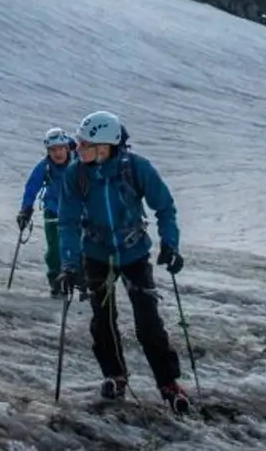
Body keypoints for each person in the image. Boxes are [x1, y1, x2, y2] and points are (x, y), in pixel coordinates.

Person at [56, 110, 191, 414]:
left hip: (133, 254)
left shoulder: (137, 168)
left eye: (86, 144)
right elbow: (67, 222)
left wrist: (171, 244)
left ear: (106, 147)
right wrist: (69, 264)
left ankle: (168, 382)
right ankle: (115, 375)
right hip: (96, 253)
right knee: (102, 319)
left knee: (149, 322)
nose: (79, 148)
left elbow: (165, 207)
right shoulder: (76, 175)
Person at [18, 127, 77, 297]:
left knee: (78, 249)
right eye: (53, 150)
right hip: (53, 214)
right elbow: (31, 188)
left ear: (67, 148)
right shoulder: (44, 167)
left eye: (60, 148)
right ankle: (56, 283)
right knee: (54, 252)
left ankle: (80, 282)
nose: (57, 153)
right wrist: (25, 210)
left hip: (77, 214)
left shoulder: (79, 164)